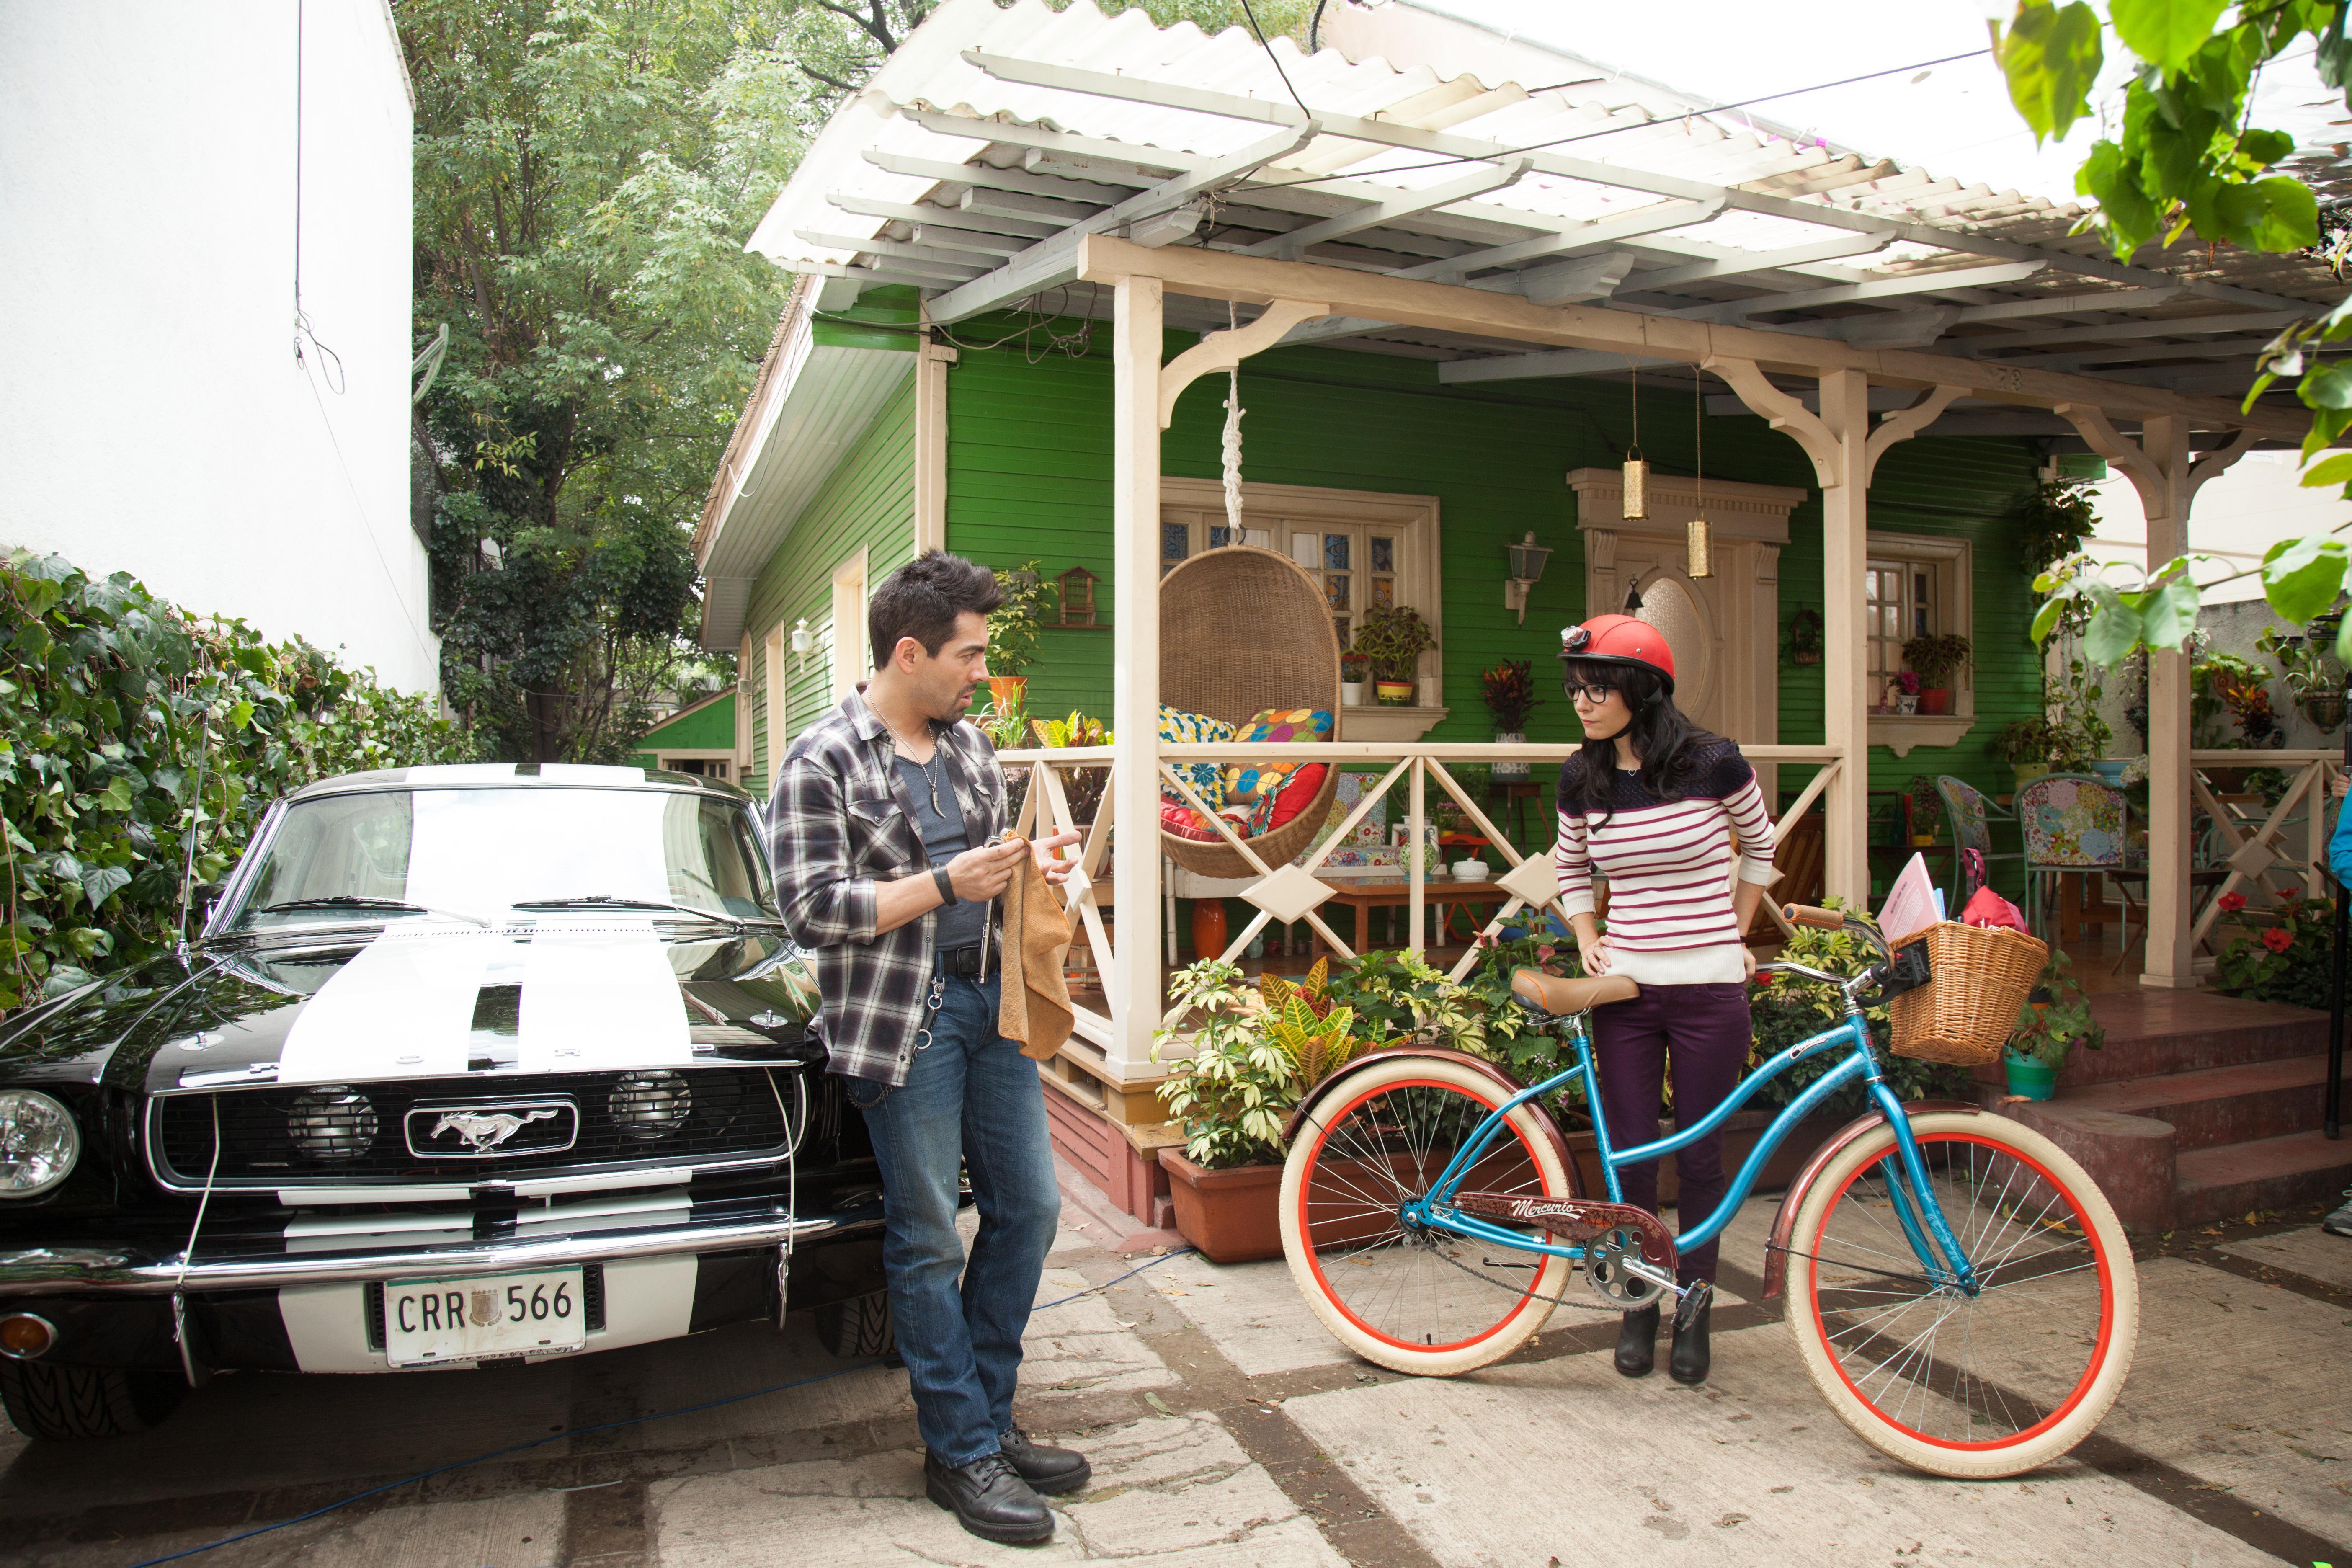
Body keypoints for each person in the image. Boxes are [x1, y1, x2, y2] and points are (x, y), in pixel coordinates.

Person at [769, 551, 1085, 1545]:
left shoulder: (971, 750)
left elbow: (990, 872)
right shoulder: (820, 761)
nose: (980, 675)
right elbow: (810, 911)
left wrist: (1036, 866)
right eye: (969, 655)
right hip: (900, 1022)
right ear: (909, 653)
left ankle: (987, 1418)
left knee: (1030, 1212)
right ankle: (958, 1449)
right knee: (925, 1238)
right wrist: (949, 886)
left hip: (991, 1006)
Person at [1552, 614, 1778, 1385]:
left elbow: (1763, 845)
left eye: (1599, 688)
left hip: (1712, 985)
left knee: (1702, 1154)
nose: (1583, 703)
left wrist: (1737, 929)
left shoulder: (1713, 762)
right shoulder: (1580, 778)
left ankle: (1698, 1302)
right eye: (1577, 689)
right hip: (1627, 988)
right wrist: (1587, 932)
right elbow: (1571, 868)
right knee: (1632, 1154)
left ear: (1642, 691)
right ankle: (1641, 1300)